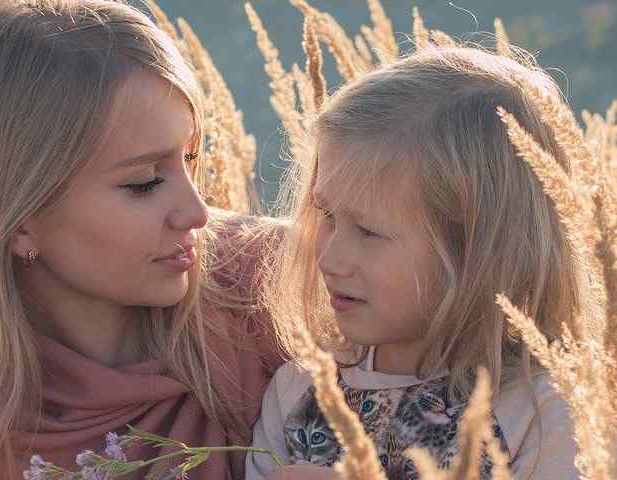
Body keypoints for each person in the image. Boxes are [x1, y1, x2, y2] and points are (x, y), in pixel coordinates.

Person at [0, 1, 282, 478]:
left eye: (190, 158)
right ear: (18, 216)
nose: (197, 212)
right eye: (145, 182)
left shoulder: (282, 289)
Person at [246, 47, 580, 480]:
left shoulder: (546, 415)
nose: (330, 258)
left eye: (369, 232)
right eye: (326, 215)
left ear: (476, 249)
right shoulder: (303, 391)